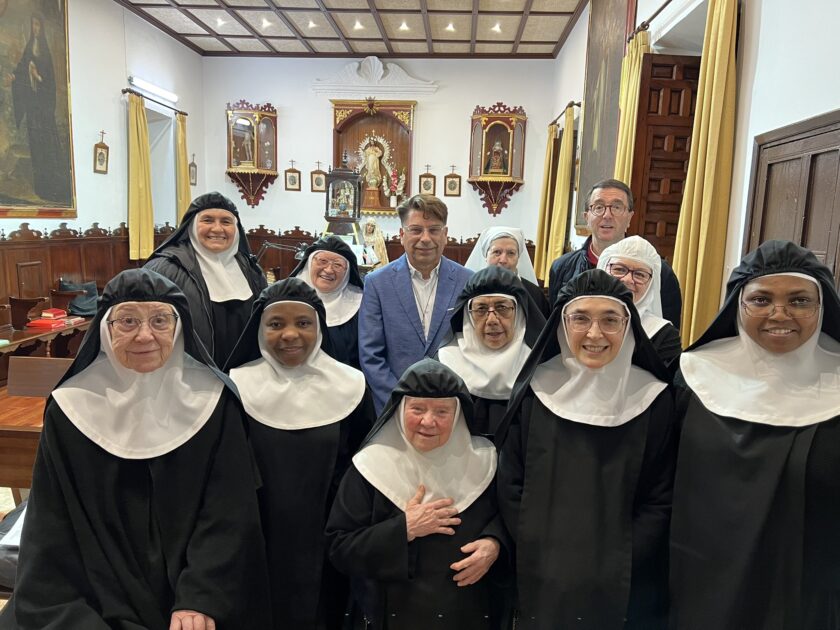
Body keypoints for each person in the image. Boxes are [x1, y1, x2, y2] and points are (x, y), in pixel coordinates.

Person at [0, 268, 272, 630]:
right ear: (104, 328)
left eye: (160, 320)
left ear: (179, 328)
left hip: (191, 588)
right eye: (127, 320)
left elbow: (229, 511)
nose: (145, 335)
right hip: (91, 588)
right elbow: (51, 520)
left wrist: (201, 597)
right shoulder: (71, 407)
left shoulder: (214, 402)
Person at [669, 240, 840, 630]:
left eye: (799, 301)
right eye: (761, 300)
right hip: (703, 580)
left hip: (808, 588)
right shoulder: (693, 377)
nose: (780, 314)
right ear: (737, 305)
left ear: (822, 307)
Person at [497, 269, 675, 630]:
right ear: (562, 324)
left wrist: (621, 557)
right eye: (580, 318)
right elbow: (512, 480)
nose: (595, 334)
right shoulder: (537, 389)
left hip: (623, 575)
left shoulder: (653, 398)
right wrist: (537, 547)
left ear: (629, 325)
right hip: (541, 568)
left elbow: (661, 495)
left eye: (610, 319)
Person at [225, 278, 375, 629]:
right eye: (276, 324)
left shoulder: (350, 386)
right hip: (256, 537)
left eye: (303, 323)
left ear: (319, 328)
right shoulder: (236, 387)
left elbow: (364, 465)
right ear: (259, 330)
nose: (290, 335)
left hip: (329, 537)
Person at [326, 359, 511, 630]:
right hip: (391, 615)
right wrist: (404, 528)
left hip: (470, 614)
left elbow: (511, 522)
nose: (428, 421)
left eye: (442, 411)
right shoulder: (370, 466)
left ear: (458, 414)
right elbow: (339, 548)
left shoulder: (487, 462)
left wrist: (495, 545)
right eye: (417, 409)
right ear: (400, 411)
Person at [359, 194, 473, 412]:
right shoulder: (377, 283)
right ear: (402, 234)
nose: (426, 238)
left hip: (452, 404)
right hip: (393, 406)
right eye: (416, 230)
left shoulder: (466, 281)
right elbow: (371, 355)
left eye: (434, 229)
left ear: (445, 234)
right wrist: (400, 402)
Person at [145, 191, 266, 367]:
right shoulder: (164, 270)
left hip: (246, 377)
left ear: (236, 228)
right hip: (192, 378)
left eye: (226, 221)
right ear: (192, 226)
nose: (217, 229)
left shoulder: (251, 269)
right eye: (207, 220)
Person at [548, 178, 682, 327]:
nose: (607, 215)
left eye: (617, 207)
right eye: (599, 207)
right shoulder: (561, 267)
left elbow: (669, 331)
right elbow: (555, 327)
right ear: (587, 217)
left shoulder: (657, 271)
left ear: (630, 217)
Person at [437, 265, 545, 437]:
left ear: (519, 314)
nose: (492, 320)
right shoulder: (445, 366)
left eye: (502, 307)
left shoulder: (540, 368)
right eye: (480, 309)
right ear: (467, 315)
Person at [9, 12, 71, 204]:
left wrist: (37, 76)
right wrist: (13, 77)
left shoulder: (45, 51)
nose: (35, 28)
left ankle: (51, 187)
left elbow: (49, 82)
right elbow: (21, 68)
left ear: (41, 28)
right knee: (35, 147)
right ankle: (40, 186)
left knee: (46, 148)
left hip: (44, 111)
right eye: (33, 25)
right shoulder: (30, 47)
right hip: (33, 108)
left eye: (37, 25)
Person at [597, 235, 682, 374]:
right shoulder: (578, 319)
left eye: (640, 275)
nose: (628, 280)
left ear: (651, 285)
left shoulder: (664, 335)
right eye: (619, 269)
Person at [290, 235, 364, 369]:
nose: (329, 270)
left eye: (338, 265)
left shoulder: (361, 305)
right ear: (309, 262)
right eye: (322, 261)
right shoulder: (286, 298)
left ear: (347, 272)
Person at [465, 226, 550, 317]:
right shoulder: (471, 290)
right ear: (486, 256)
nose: (503, 260)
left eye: (511, 253)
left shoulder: (534, 293)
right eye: (497, 252)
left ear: (518, 257)